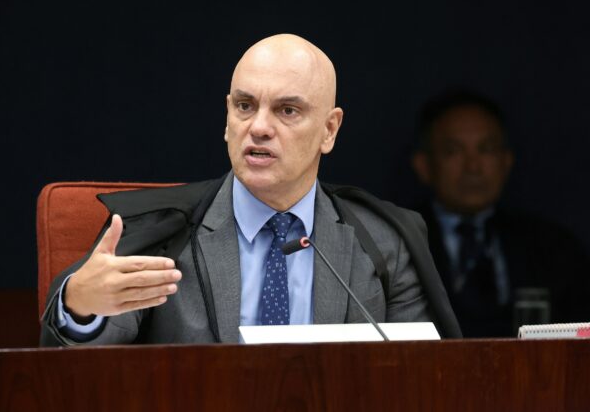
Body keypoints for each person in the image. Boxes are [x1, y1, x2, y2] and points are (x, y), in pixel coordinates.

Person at [40, 34, 460, 346]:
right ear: (227, 117)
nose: (258, 127)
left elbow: (419, 379)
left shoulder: (384, 243)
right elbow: (86, 367)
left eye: (287, 110)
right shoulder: (158, 232)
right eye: (245, 106)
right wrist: (80, 306)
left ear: (329, 130)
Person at [411, 90, 590, 337]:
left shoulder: (553, 246)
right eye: (453, 151)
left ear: (507, 161)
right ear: (423, 165)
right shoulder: (401, 246)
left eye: (486, 149)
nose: (473, 167)